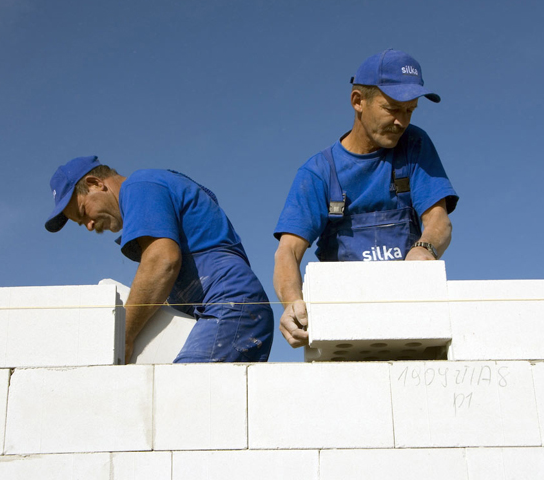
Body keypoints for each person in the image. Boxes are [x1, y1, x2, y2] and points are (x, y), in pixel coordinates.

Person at [273, 48, 459, 348]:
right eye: (393, 109)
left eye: (410, 110)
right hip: (342, 327)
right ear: (358, 101)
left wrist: (423, 249)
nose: (402, 122)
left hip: (410, 317)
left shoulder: (414, 145)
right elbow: (287, 253)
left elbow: (438, 220)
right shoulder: (318, 172)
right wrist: (292, 303)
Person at [45, 156, 274, 363]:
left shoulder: (139, 186)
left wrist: (122, 337)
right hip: (230, 310)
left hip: (229, 306)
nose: (89, 226)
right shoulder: (150, 188)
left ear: (96, 183)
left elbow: (162, 262)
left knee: (178, 394)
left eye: (84, 213)